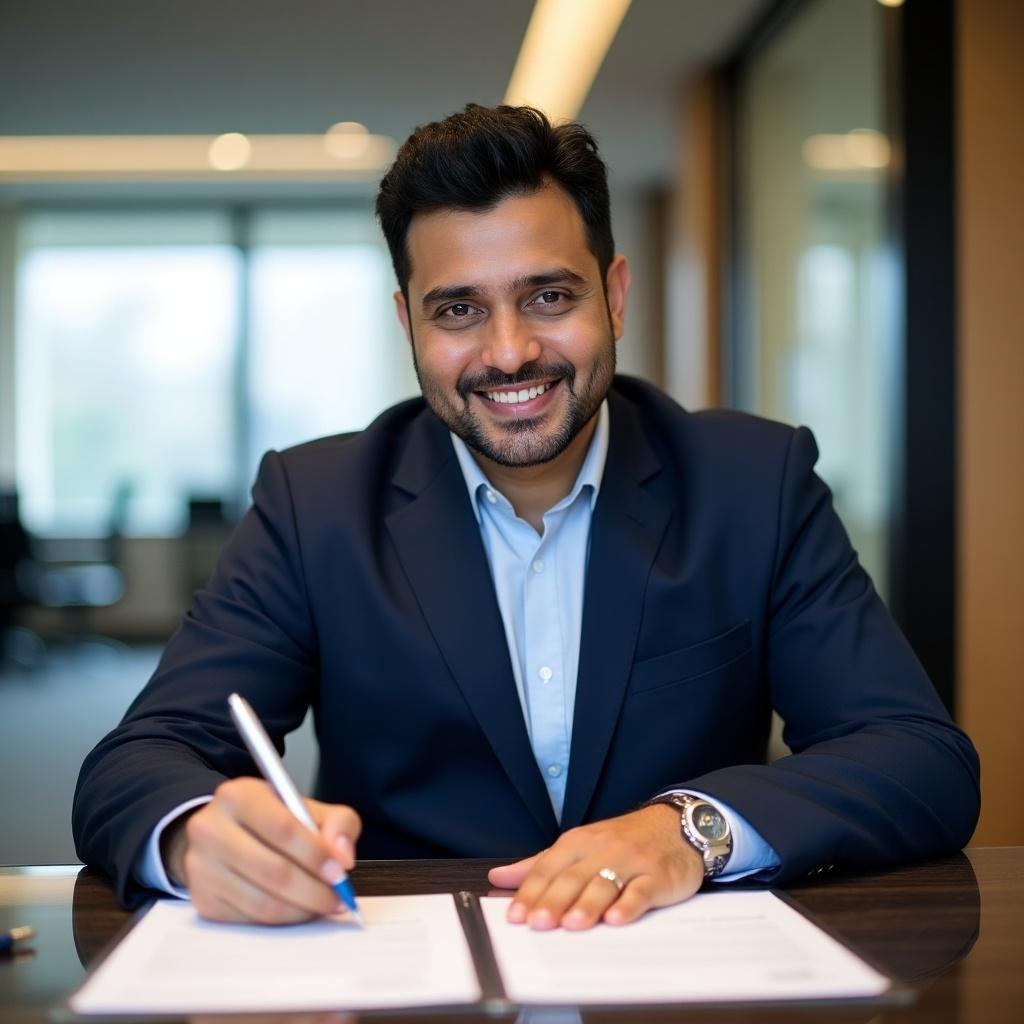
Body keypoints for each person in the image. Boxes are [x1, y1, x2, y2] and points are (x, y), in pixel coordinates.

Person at [73, 104, 980, 931]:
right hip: (408, 971)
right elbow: (137, 762)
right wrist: (196, 836)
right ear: (409, 325)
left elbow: (917, 758)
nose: (510, 353)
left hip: (680, 974)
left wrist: (690, 830)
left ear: (614, 295)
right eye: (459, 309)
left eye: (550, 296)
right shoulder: (315, 505)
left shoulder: (756, 482)